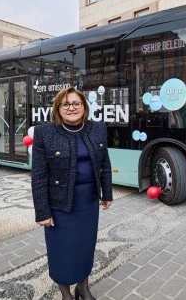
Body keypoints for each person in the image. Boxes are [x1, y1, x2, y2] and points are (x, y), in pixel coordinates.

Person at [31, 87, 113, 300]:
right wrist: (42, 211)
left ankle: (83, 287)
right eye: (65, 104)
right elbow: (39, 175)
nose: (71, 108)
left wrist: (107, 193)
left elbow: (104, 162)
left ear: (84, 107)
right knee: (63, 250)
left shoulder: (98, 128)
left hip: (88, 201)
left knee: (86, 246)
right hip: (60, 204)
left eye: (76, 103)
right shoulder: (44, 133)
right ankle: (66, 293)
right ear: (58, 108)